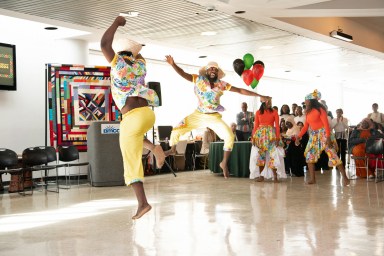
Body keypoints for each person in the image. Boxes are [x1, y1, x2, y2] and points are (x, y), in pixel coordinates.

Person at [100, 16, 166, 220]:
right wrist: (136, 50)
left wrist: (116, 23)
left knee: (131, 161)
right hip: (147, 114)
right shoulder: (141, 65)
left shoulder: (118, 63)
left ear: (119, 54)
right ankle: (154, 147)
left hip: (132, 116)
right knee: (133, 137)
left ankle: (143, 203)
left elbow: (104, 44)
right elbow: (139, 54)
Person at [164, 55, 270, 178]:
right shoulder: (198, 79)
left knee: (230, 136)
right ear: (207, 71)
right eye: (211, 69)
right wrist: (173, 64)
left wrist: (259, 95)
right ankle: (172, 149)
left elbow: (240, 90)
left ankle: (224, 162)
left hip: (214, 117)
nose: (213, 71)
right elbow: (183, 74)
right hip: (198, 114)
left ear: (217, 72)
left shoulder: (222, 84)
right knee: (176, 129)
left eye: (215, 69)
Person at [295, 90, 350, 186]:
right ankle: (313, 179)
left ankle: (345, 177)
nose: (305, 102)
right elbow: (305, 127)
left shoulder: (320, 110)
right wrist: (298, 137)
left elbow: (326, 125)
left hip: (324, 133)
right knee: (309, 155)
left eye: (306, 101)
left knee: (333, 155)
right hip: (314, 135)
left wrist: (328, 138)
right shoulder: (307, 112)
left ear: (311, 101)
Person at [252, 98, 282, 182]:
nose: (270, 104)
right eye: (269, 102)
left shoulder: (274, 112)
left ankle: (275, 176)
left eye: (271, 102)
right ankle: (261, 176)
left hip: (271, 135)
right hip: (260, 136)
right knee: (261, 155)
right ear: (264, 102)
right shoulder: (258, 112)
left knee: (273, 155)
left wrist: (277, 138)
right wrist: (253, 138)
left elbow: (277, 126)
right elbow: (256, 126)